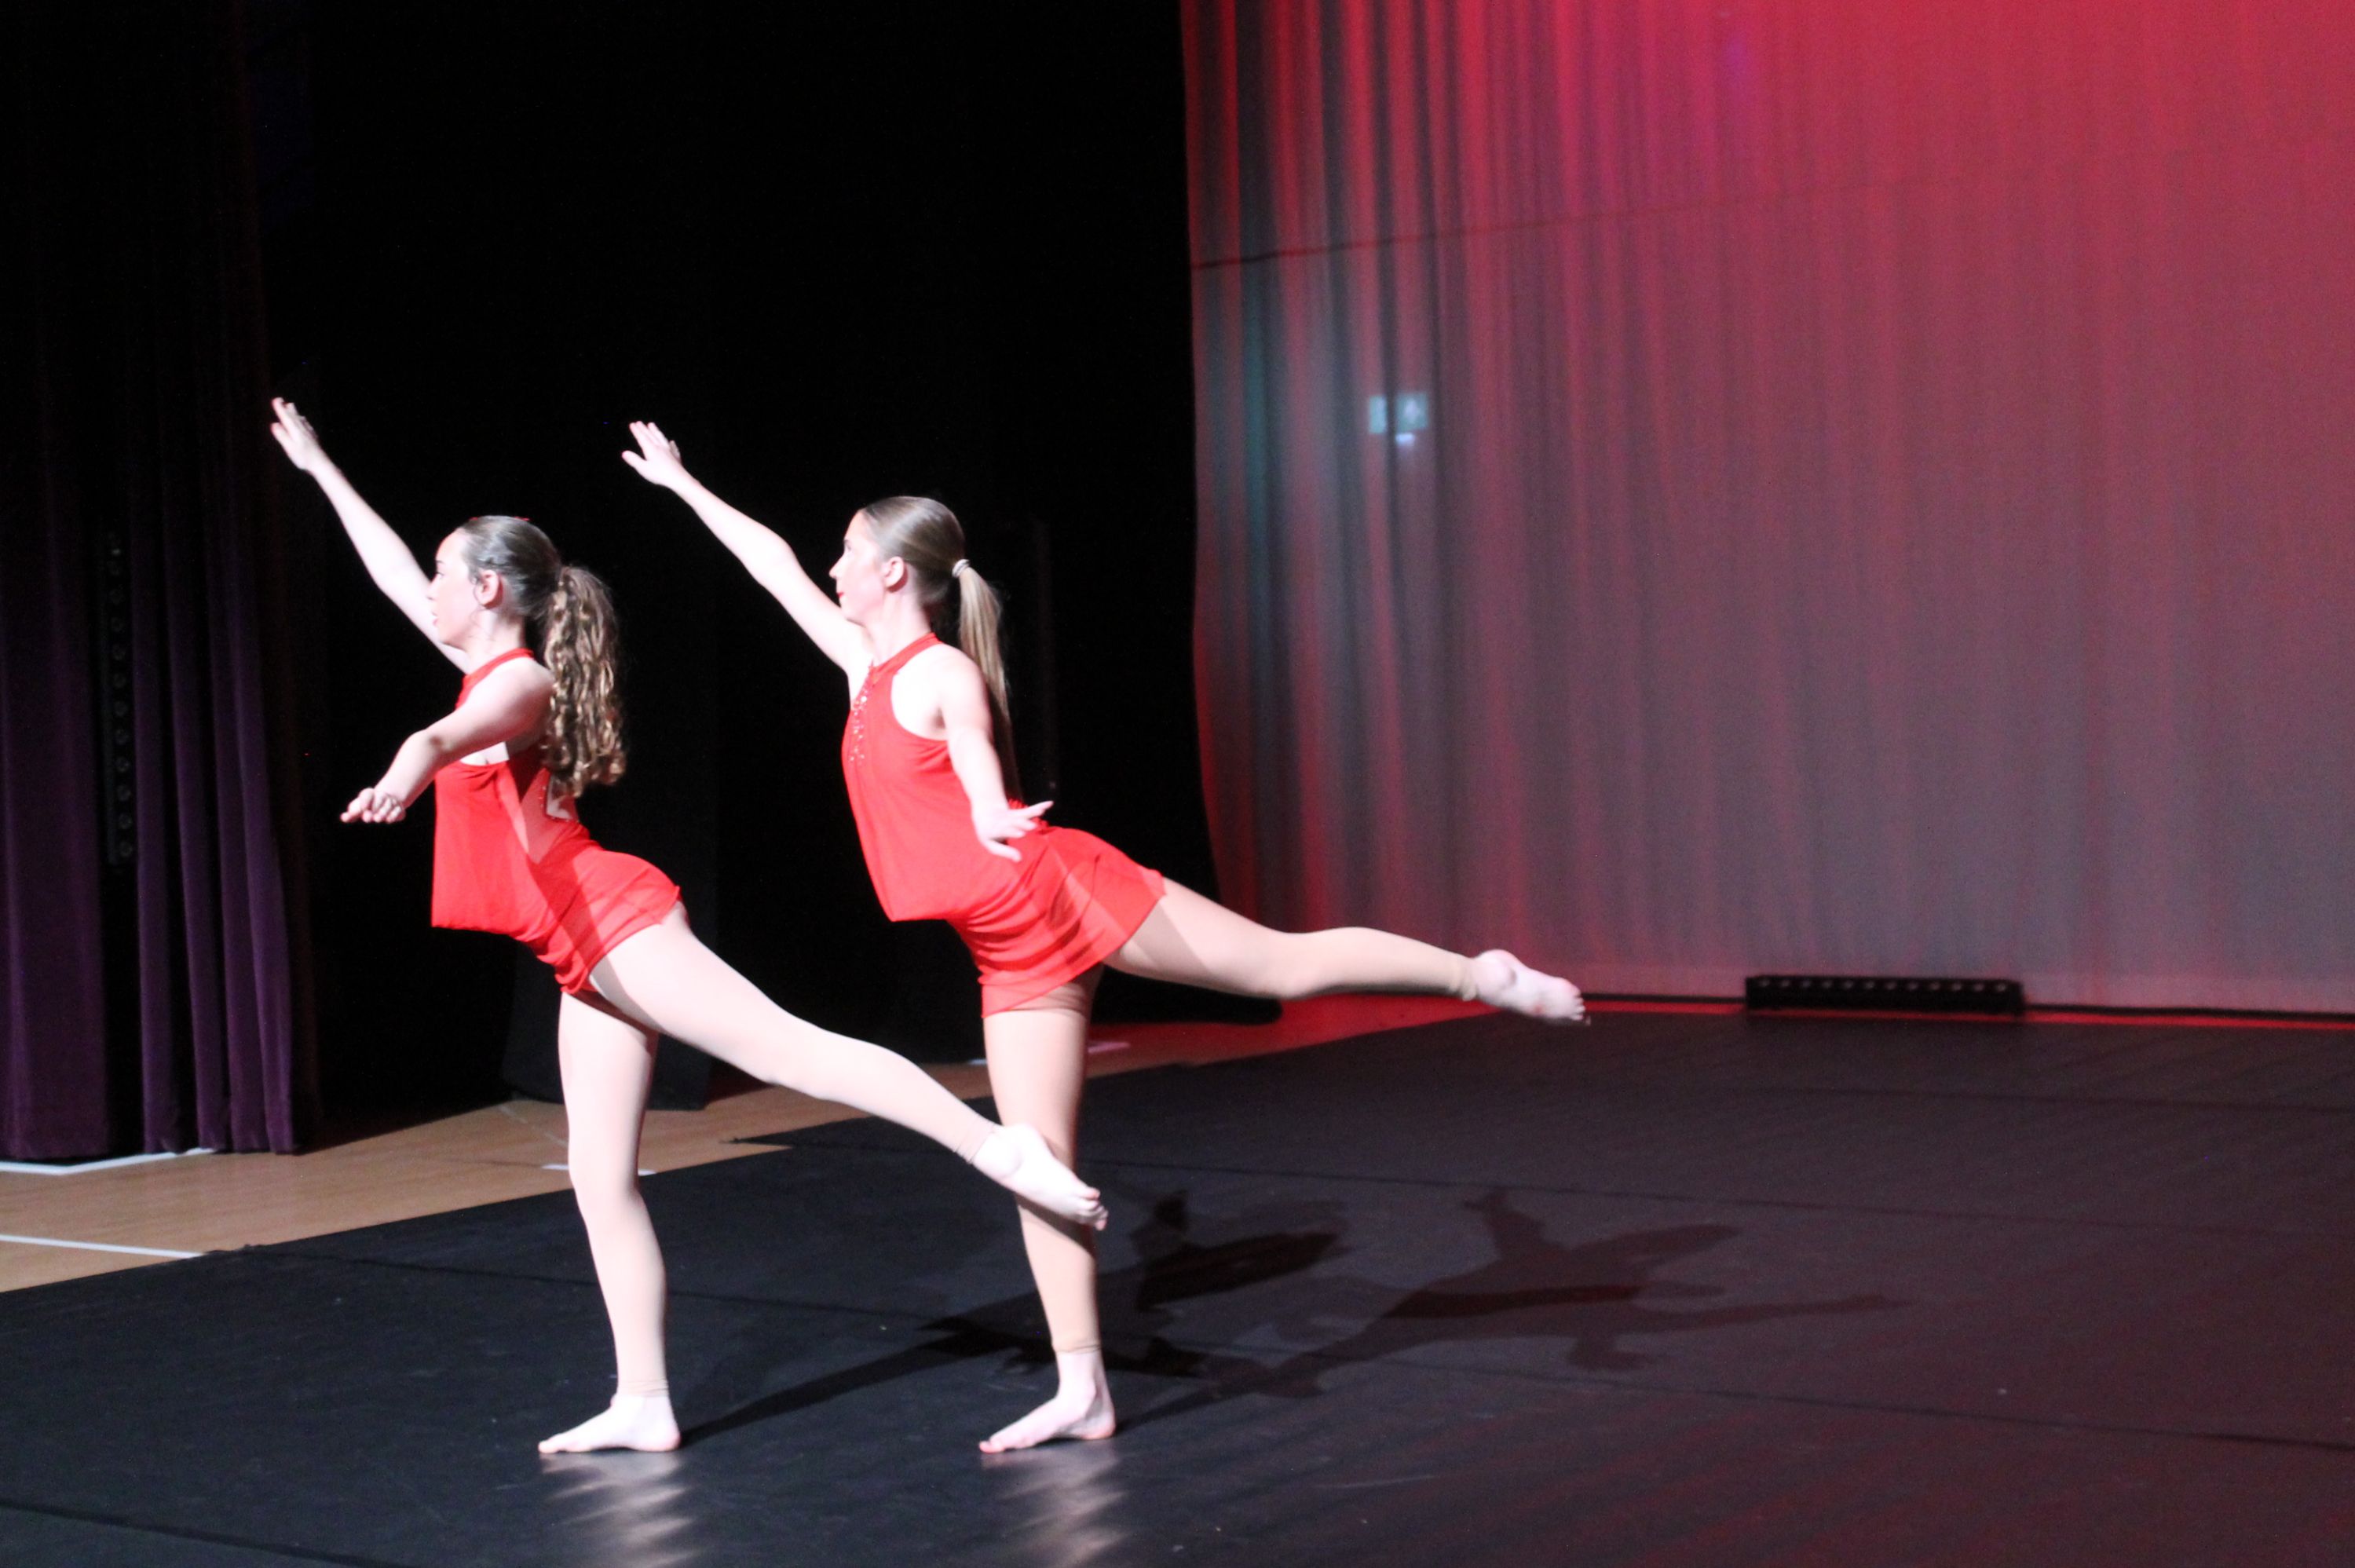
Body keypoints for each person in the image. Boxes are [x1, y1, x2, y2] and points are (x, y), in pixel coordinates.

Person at [621, 420, 1586, 1452]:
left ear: (892, 573)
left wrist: (991, 812)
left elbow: (981, 766)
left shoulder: (937, 674)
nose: (832, 565)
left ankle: (1482, 973)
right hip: (1006, 946)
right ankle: (1084, 1386)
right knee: (1034, 1160)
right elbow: (768, 563)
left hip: (1065, 889)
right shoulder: (861, 661)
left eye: (849, 551)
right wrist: (685, 485)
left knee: (1281, 960)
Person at [267, 399, 1105, 1457]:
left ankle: (1001, 1147)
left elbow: (442, 733)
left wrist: (402, 774)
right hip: (571, 948)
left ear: (487, 590)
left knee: (791, 1049)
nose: (423, 589)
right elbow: (393, 576)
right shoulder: (482, 661)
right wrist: (321, 469)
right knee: (596, 1174)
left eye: (443, 574)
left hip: (612, 918)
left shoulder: (515, 681)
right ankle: (644, 1398)